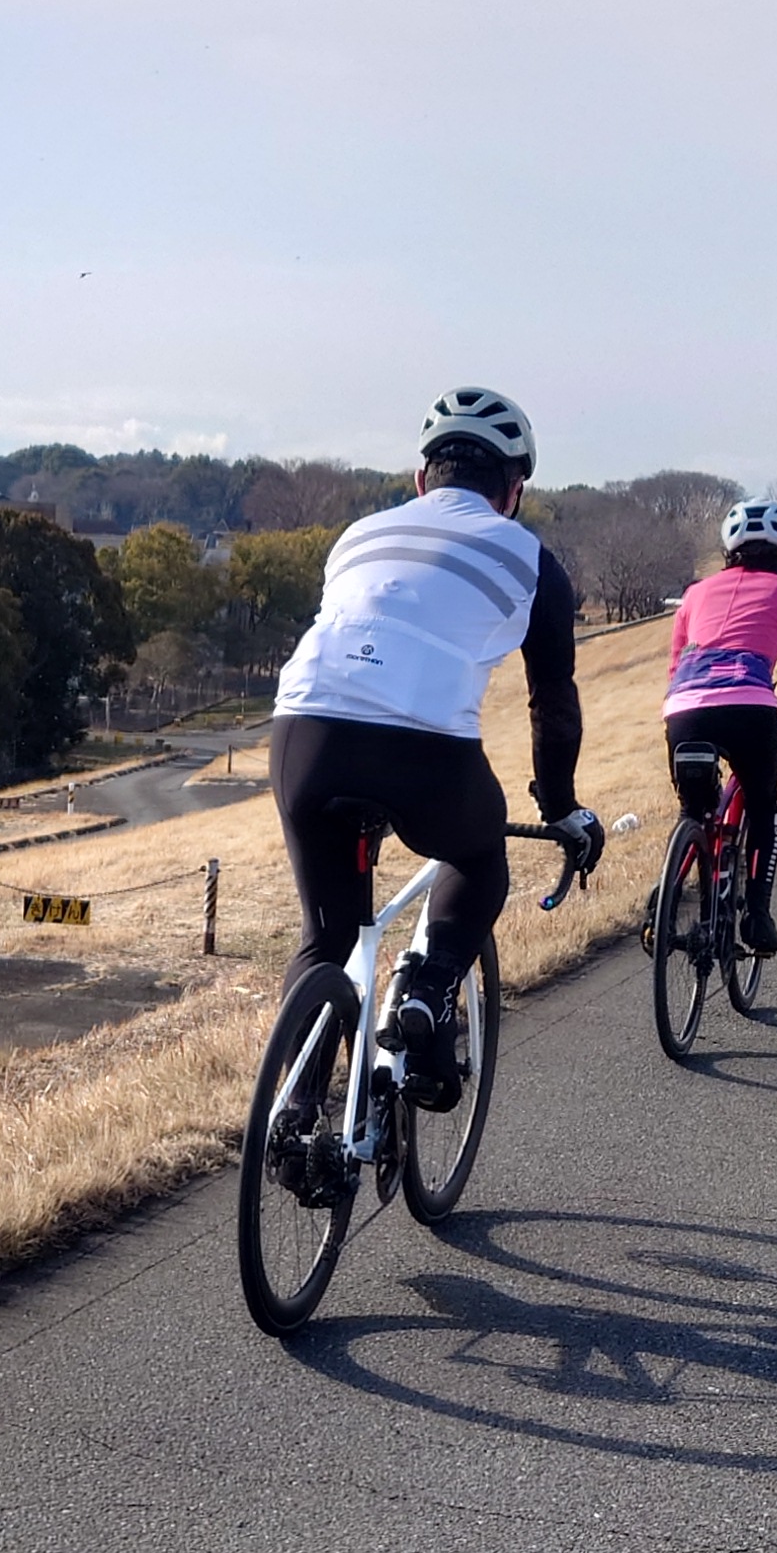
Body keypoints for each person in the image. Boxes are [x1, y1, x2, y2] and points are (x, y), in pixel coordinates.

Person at [266, 387, 602, 1108]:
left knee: (325, 938)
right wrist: (561, 807)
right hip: (423, 745)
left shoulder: (358, 534)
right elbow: (553, 703)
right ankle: (428, 986)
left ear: (421, 479)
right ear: (513, 492)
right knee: (478, 858)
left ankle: (295, 1117)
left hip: (304, 729)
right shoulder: (531, 559)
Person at [660, 499, 777, 956]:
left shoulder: (695, 594)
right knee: (763, 805)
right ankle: (757, 914)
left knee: (693, 811)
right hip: (749, 707)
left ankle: (664, 901)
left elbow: (676, 665)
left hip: (685, 708)